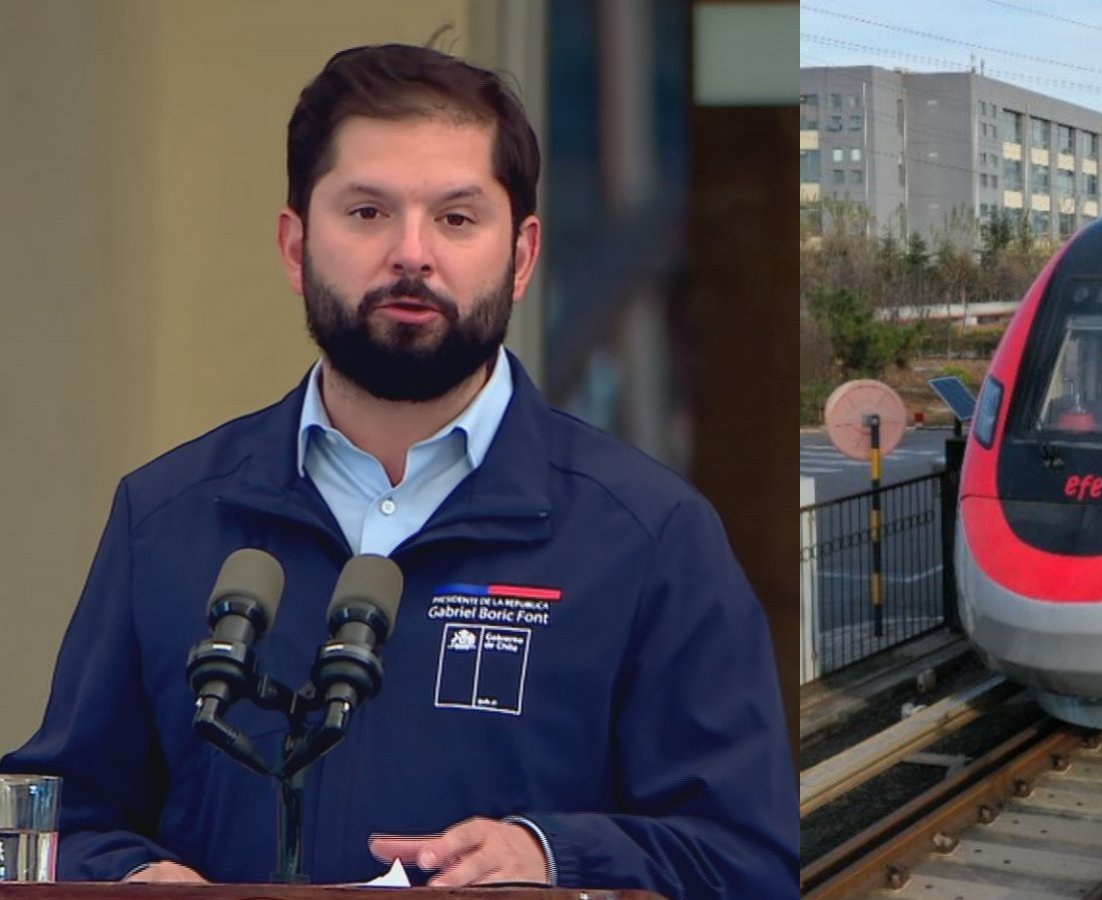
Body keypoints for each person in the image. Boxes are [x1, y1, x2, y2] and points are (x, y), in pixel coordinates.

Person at [0, 43, 797, 897]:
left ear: (522, 256)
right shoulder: (166, 517)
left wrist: (552, 856)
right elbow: (56, 818)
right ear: (295, 245)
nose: (411, 254)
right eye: (368, 212)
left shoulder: (647, 535)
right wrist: (133, 875)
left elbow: (747, 860)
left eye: (456, 218)